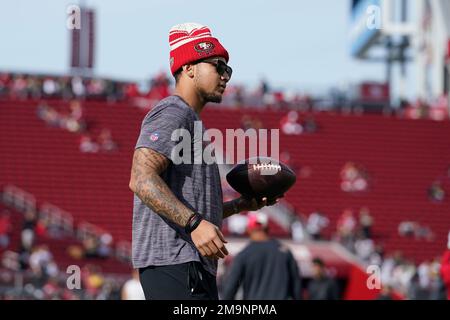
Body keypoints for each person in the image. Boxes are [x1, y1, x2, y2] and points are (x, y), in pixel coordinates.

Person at [129, 22, 280, 300]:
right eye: (218, 67)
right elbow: (141, 178)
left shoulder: (192, 121)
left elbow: (192, 206)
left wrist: (239, 205)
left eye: (228, 70)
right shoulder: (173, 111)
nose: (226, 76)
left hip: (188, 264)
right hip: (174, 262)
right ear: (189, 68)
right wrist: (194, 224)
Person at [221, 212, 302, 300]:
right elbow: (296, 285)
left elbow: (230, 287)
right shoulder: (285, 251)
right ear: (267, 228)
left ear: (249, 229)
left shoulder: (244, 255)